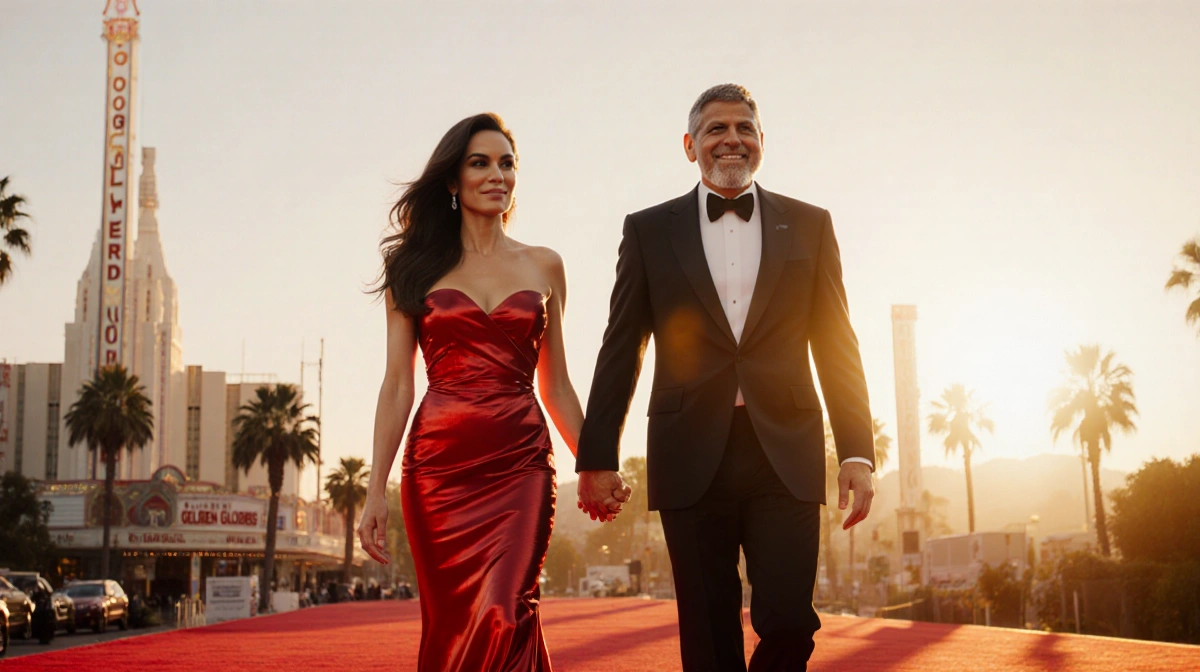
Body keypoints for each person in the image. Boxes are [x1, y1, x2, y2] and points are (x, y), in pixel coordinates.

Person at [576, 84, 877, 671]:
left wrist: (857, 452)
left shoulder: (811, 225)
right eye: (716, 128)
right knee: (710, 635)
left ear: (762, 142)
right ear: (690, 145)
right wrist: (596, 455)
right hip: (689, 452)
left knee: (790, 621)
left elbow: (837, 342)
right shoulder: (647, 230)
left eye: (744, 127)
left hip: (784, 451)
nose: (731, 138)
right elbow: (622, 344)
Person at [356, 113, 625, 671]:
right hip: (438, 471)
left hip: (520, 464)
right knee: (453, 627)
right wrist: (374, 489)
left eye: (508, 163)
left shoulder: (545, 264)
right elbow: (397, 384)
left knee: (507, 611)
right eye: (480, 162)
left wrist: (596, 462)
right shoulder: (410, 267)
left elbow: (556, 384)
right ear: (452, 181)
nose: (497, 174)